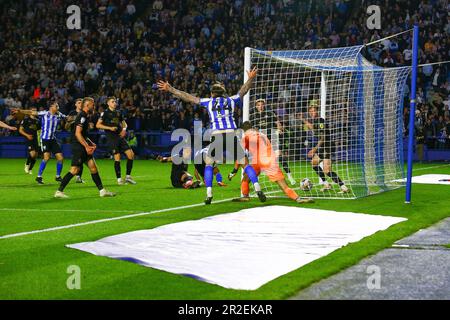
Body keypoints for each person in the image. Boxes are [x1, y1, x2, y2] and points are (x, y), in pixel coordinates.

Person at [157, 67, 266, 204]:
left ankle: (209, 194)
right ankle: (257, 188)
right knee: (245, 164)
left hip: (217, 135)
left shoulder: (208, 102)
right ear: (224, 92)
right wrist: (251, 78)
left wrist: (171, 89)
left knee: (208, 164)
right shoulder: (231, 100)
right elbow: (243, 90)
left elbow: (189, 97)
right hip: (232, 134)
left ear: (212, 93)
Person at [229, 122, 313, 203]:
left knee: (246, 177)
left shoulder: (246, 137)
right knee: (284, 186)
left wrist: (234, 170)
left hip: (257, 161)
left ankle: (245, 196)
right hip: (269, 161)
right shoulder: (261, 134)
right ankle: (298, 198)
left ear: (243, 130)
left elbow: (240, 156)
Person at [55, 97, 115, 198]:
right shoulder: (82, 116)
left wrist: (91, 143)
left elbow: (83, 134)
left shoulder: (86, 116)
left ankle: (102, 191)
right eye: (93, 104)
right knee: (74, 170)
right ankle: (59, 191)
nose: (94, 106)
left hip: (82, 145)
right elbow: (78, 134)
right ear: (87, 106)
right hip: (78, 147)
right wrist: (87, 146)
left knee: (93, 168)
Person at [300, 102, 349, 193]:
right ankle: (326, 184)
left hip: (327, 146)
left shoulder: (321, 121)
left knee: (327, 170)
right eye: (310, 111)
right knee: (314, 163)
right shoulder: (315, 121)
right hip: (322, 147)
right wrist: (303, 120)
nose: (312, 113)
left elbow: (323, 137)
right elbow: (313, 128)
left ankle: (343, 187)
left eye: (313, 111)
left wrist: (314, 149)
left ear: (317, 111)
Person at [13, 102, 66, 184]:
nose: (58, 107)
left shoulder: (59, 114)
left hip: (53, 139)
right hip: (45, 139)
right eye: (56, 106)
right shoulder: (44, 113)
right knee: (46, 157)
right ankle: (39, 176)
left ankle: (58, 176)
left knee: (60, 158)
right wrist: (20, 111)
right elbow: (31, 112)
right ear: (51, 107)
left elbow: (68, 118)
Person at [250, 98, 296, 185]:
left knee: (280, 157)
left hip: (272, 138)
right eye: (259, 105)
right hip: (262, 140)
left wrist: (279, 128)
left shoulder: (269, 113)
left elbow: (277, 122)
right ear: (256, 106)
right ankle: (257, 180)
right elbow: (254, 128)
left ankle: (290, 176)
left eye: (262, 104)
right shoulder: (253, 116)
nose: (261, 106)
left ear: (264, 105)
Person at [96, 97, 136, 185]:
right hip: (111, 137)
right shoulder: (105, 113)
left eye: (115, 102)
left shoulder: (118, 112)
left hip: (120, 136)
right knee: (117, 157)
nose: (114, 103)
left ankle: (128, 177)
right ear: (108, 103)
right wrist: (109, 128)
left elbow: (124, 123)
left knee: (131, 155)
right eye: (112, 102)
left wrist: (124, 130)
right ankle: (119, 179)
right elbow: (98, 125)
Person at [65, 98, 85, 183]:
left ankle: (78, 176)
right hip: (75, 138)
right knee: (78, 157)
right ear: (76, 104)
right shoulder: (72, 113)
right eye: (79, 103)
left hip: (83, 137)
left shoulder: (85, 113)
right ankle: (76, 175)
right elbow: (66, 126)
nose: (81, 104)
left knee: (82, 158)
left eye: (82, 103)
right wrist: (72, 121)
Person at [19, 106, 40, 174]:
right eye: (33, 110)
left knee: (35, 156)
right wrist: (27, 135)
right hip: (29, 139)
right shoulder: (25, 120)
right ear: (30, 112)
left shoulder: (38, 121)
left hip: (35, 139)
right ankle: (27, 164)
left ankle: (30, 169)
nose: (35, 111)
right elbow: (20, 130)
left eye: (35, 110)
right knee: (32, 154)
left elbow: (39, 130)